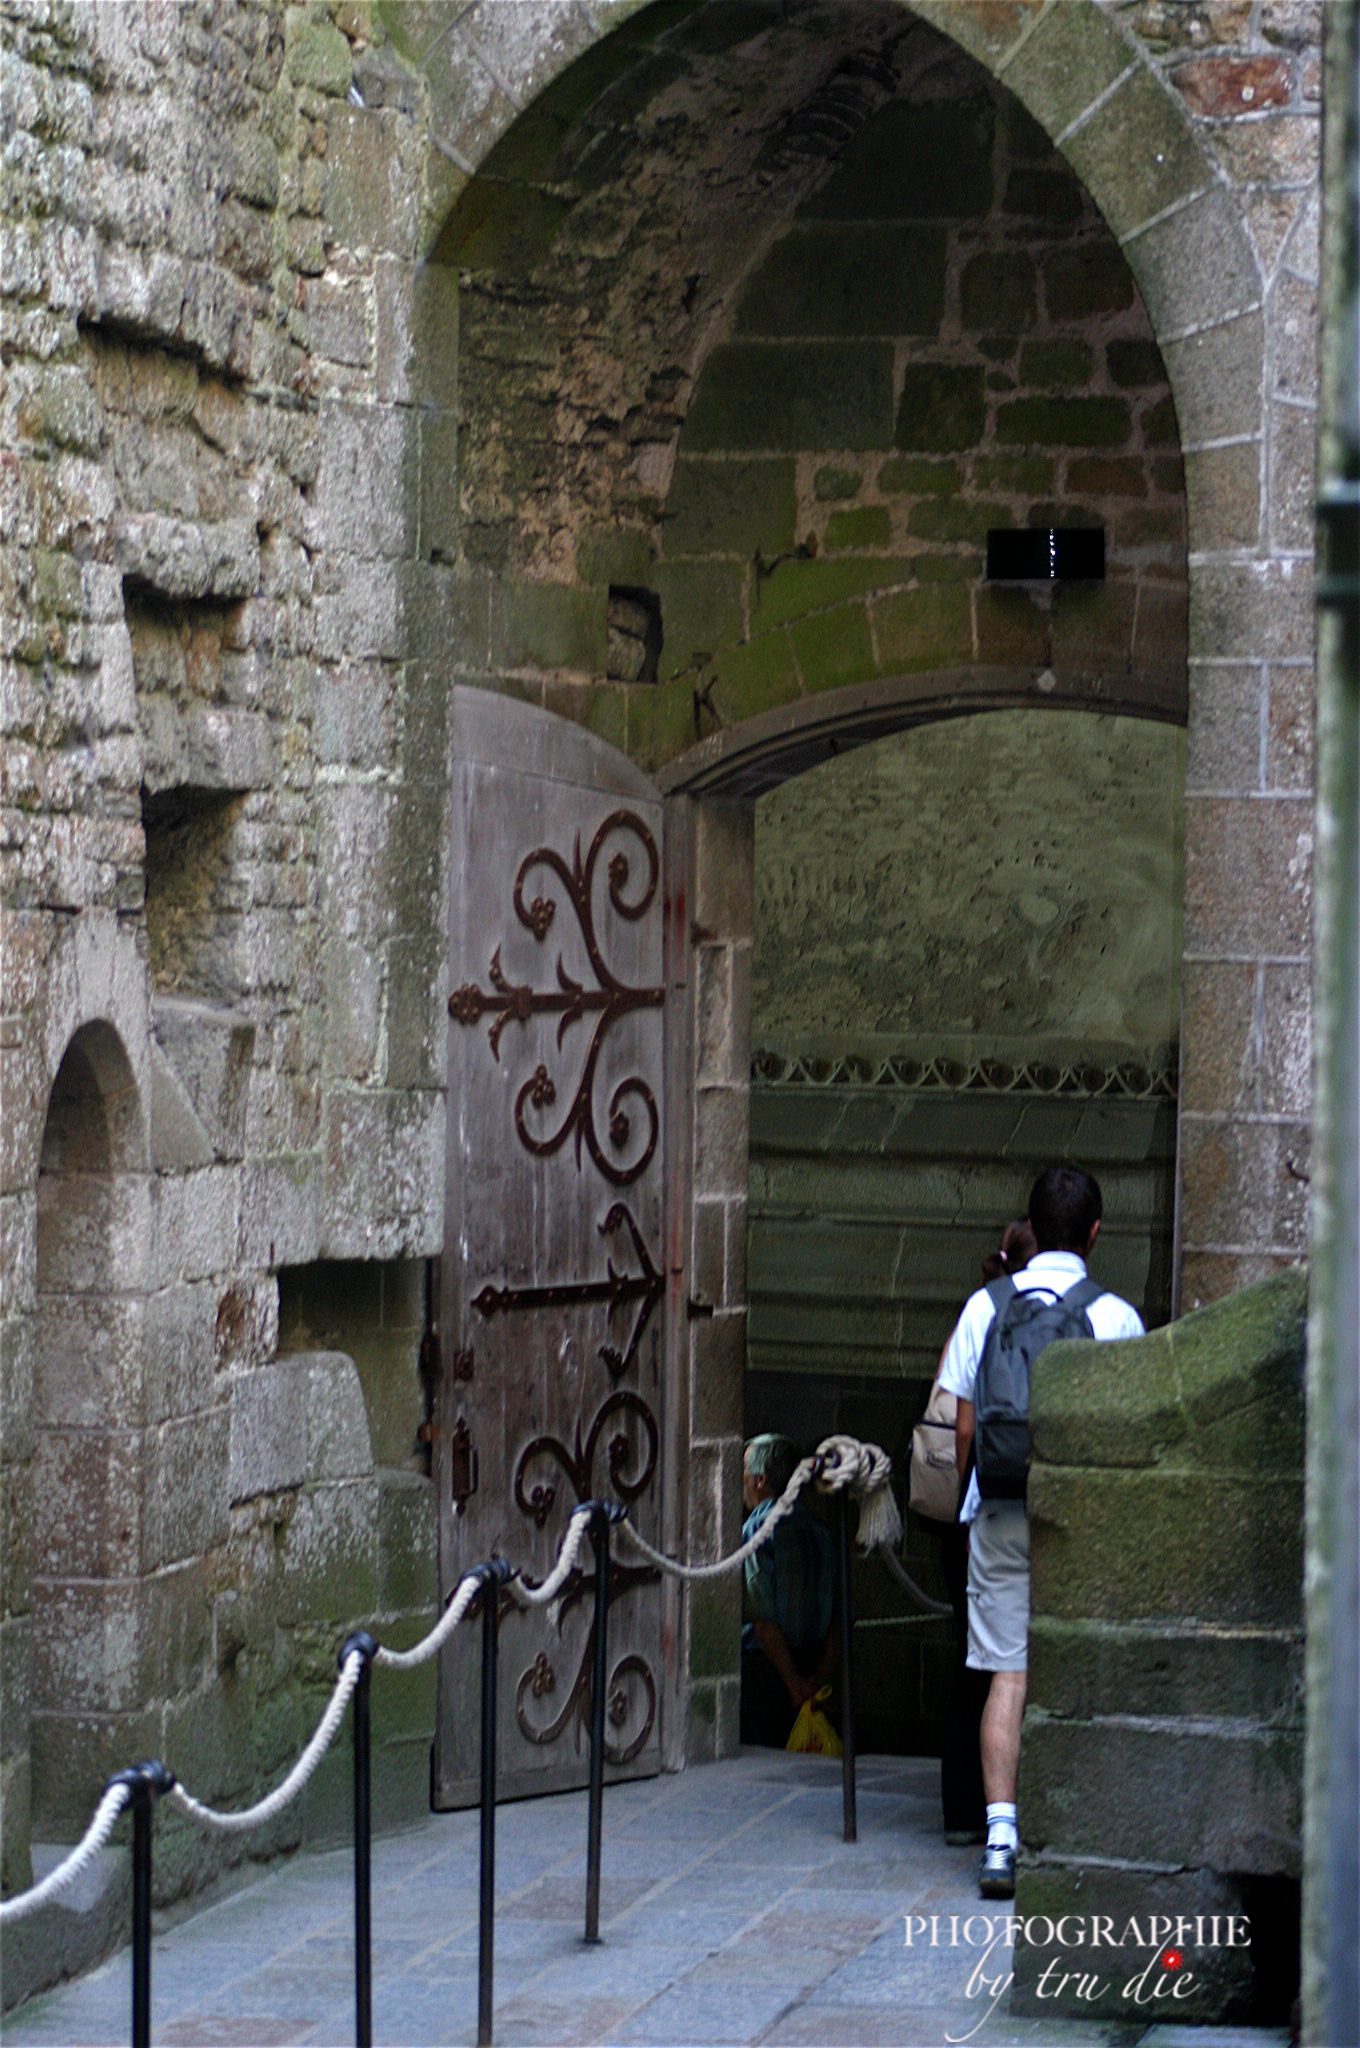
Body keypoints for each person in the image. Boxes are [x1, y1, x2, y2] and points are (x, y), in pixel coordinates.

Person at [937, 1166, 1143, 1898]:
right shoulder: (1116, 1317)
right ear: (1093, 1233)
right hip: (1079, 1517)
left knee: (1009, 1674)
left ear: (1030, 1224)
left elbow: (962, 1422)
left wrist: (969, 1506)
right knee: (1078, 1671)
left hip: (997, 1507)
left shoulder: (983, 1307)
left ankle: (1000, 1837)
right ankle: (1074, 1824)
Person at [938, 1219, 1037, 1844]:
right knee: (1021, 1673)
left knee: (978, 1667)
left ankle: (968, 1817)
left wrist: (968, 1492)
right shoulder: (1096, 1310)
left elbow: (959, 1421)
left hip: (983, 1506)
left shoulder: (981, 1310)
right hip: (1046, 1508)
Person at [739, 1433, 836, 1747]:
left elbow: (763, 1619)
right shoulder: (821, 1532)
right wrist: (814, 1681)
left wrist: (792, 1683)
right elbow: (841, 1619)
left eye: (743, 1473)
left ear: (759, 1480)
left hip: (767, 1673)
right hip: (811, 1668)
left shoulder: (757, 1531)